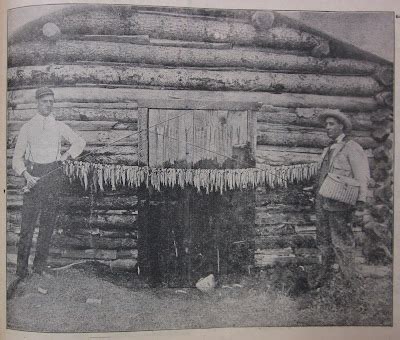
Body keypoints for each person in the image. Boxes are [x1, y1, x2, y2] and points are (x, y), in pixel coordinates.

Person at [12, 87, 86, 278]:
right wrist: (27, 176)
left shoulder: (59, 126)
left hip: (53, 176)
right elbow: (16, 160)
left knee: (47, 224)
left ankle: (39, 267)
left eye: (51, 101)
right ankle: (21, 270)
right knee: (27, 226)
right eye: (45, 101)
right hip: (34, 177)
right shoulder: (27, 127)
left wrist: (66, 156)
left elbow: (80, 142)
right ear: (37, 102)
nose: (48, 104)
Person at [313, 111, 370, 289]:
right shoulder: (327, 149)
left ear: (341, 126)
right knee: (323, 240)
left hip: (340, 203)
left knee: (341, 242)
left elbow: (362, 176)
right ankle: (326, 281)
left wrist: (360, 201)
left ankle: (351, 284)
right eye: (326, 124)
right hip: (323, 202)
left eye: (331, 124)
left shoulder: (352, 147)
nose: (327, 128)